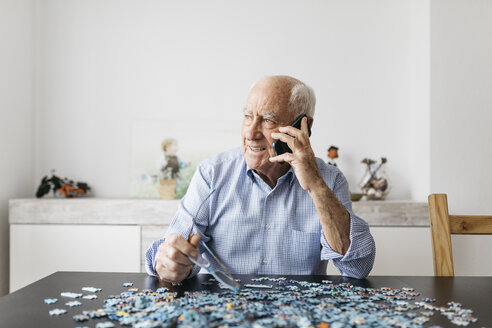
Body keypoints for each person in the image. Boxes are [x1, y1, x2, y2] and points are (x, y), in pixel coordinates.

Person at [145, 75, 375, 283]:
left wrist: (316, 186)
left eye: (267, 120)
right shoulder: (212, 174)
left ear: (304, 126)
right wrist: (170, 263)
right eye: (247, 116)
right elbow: (175, 248)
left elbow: (356, 268)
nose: (251, 133)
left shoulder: (330, 181)